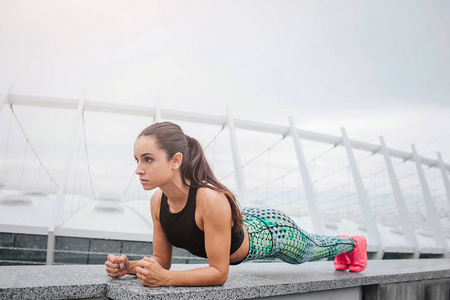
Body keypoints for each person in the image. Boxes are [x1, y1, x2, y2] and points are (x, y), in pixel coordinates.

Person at [105, 122, 367, 287]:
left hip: (270, 231)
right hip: (244, 220)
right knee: (311, 249)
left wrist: (167, 280)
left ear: (175, 160)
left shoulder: (209, 199)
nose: (138, 169)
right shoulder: (157, 202)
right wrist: (129, 268)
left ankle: (352, 242)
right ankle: (348, 246)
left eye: (148, 159)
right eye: (136, 160)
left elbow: (219, 273)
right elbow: (162, 261)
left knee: (311, 249)